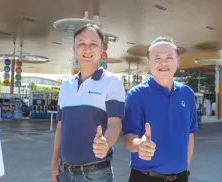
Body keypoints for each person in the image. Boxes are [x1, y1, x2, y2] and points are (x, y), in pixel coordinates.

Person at [51, 24, 125, 182]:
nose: (87, 49)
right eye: (81, 44)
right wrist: (54, 163)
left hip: (96, 174)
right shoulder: (66, 86)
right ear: (74, 48)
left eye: (93, 44)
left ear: (101, 50)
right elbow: (60, 126)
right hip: (65, 172)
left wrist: (106, 142)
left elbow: (115, 123)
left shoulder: (112, 82)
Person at [123, 37, 197, 182]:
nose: (163, 63)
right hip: (145, 177)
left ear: (177, 61)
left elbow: (189, 134)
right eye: (157, 58)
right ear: (149, 62)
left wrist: (186, 169)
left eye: (169, 57)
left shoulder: (187, 94)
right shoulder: (136, 95)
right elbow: (128, 138)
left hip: (180, 177)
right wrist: (139, 145)